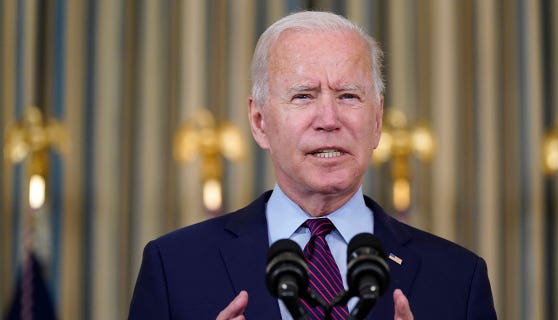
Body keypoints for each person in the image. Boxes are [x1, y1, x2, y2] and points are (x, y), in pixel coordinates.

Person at [129, 11, 497, 320]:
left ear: (377, 120)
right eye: (303, 96)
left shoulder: (458, 278)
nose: (328, 119)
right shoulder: (174, 267)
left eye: (348, 96)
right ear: (259, 122)